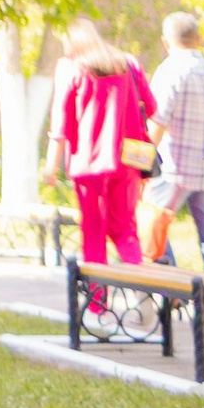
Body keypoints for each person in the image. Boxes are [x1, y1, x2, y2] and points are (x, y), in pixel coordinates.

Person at [46, 20, 158, 312]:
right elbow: (152, 106)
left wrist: (50, 166)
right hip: (129, 161)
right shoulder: (129, 63)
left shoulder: (70, 68)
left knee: (94, 234)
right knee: (125, 230)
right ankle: (142, 296)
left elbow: (60, 124)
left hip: (90, 164)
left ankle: (97, 307)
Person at [145, 9, 204, 277]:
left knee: (153, 225)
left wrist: (143, 165)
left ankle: (171, 288)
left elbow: (157, 123)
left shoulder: (169, 71)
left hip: (175, 170)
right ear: (199, 38)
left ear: (166, 41)